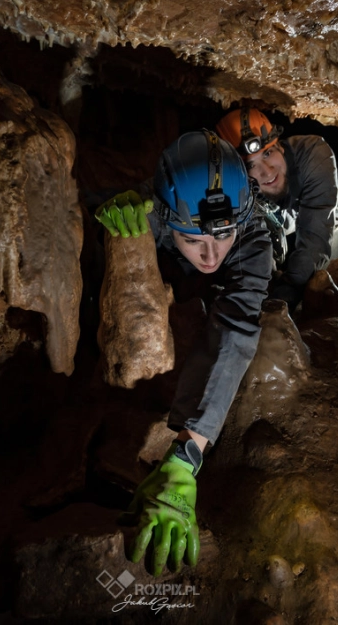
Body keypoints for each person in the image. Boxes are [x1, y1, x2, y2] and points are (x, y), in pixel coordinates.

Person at [94, 130, 273, 576]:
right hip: (171, 286)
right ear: (168, 218)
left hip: (211, 297)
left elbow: (234, 334)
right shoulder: (150, 213)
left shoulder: (252, 239)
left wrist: (185, 456)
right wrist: (103, 218)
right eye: (194, 239)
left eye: (222, 234)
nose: (211, 253)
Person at [216, 107, 338, 310]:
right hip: (277, 215)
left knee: (320, 281)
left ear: (279, 146)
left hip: (324, 211)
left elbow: (315, 237)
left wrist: (286, 292)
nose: (266, 171)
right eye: (250, 166)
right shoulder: (235, 189)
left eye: (268, 153)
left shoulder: (314, 154)